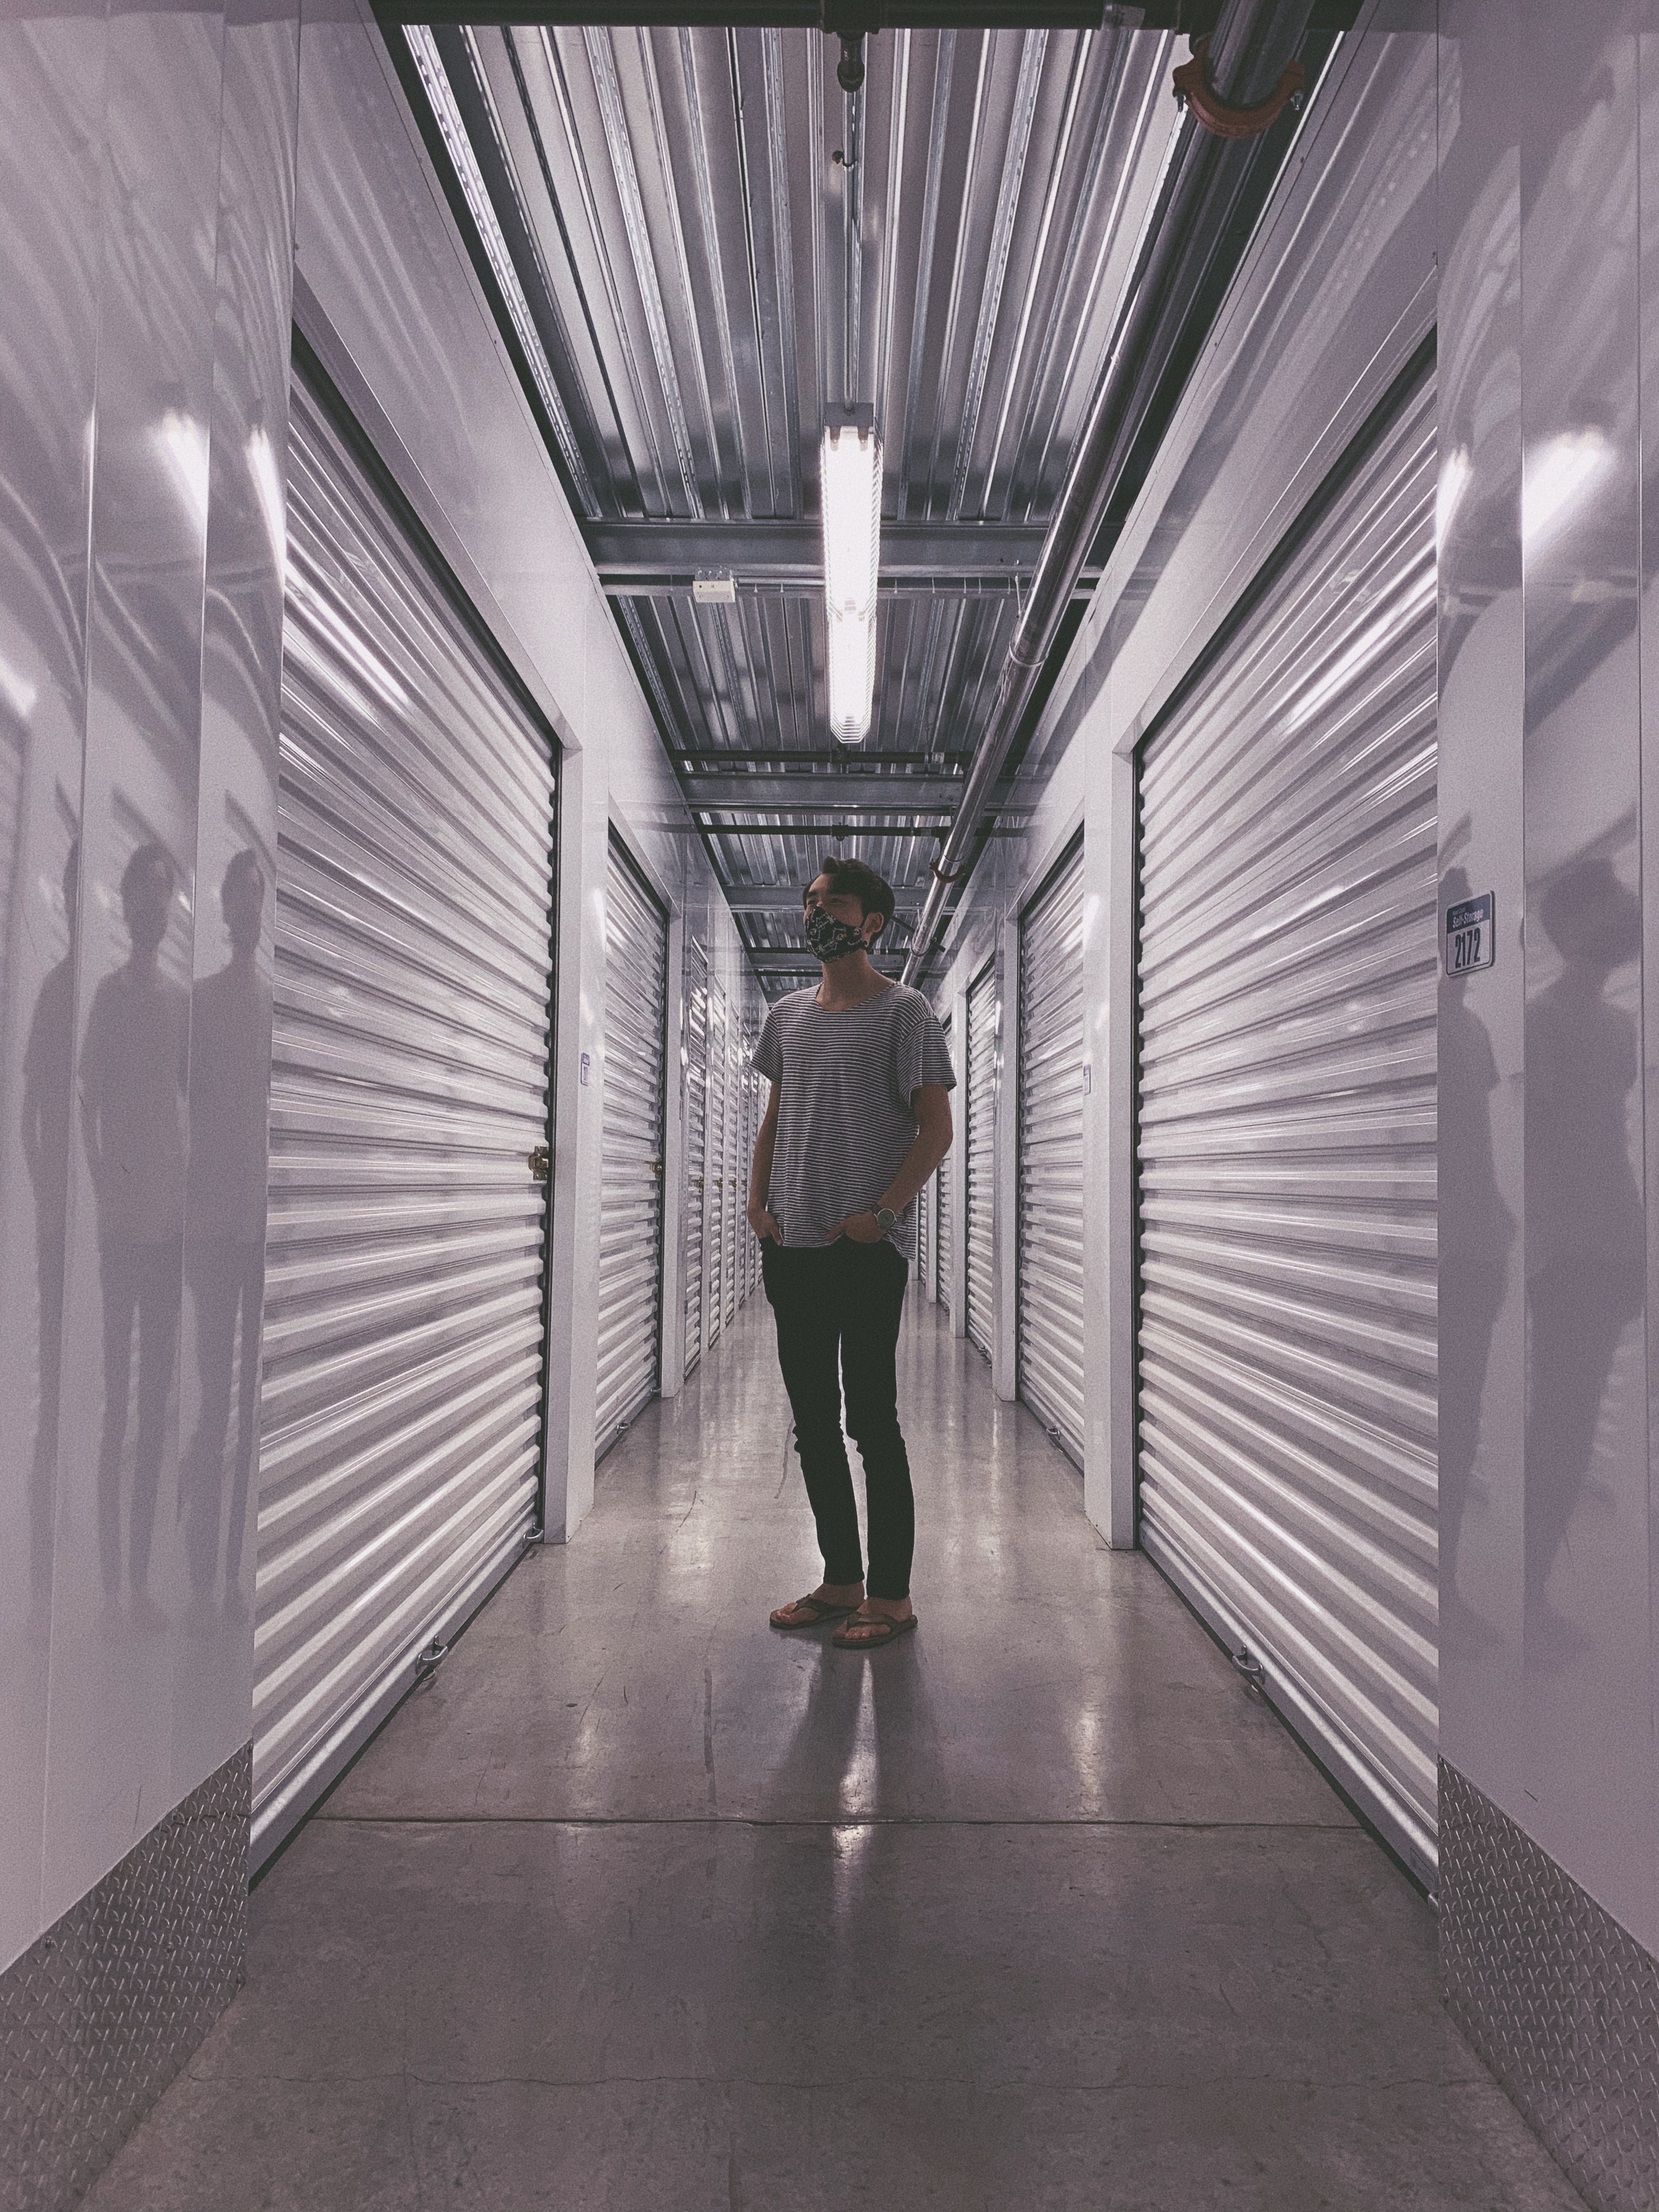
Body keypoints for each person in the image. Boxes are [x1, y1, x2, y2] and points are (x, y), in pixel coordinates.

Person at [748, 854, 955, 1651]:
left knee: (873, 1423)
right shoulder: (785, 1016)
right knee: (812, 1425)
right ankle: (841, 1580)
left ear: (873, 921)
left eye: (832, 902)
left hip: (865, 1252)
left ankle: (893, 1596)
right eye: (809, 902)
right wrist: (758, 1205)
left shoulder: (908, 1014)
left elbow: (935, 1130)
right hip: (791, 1248)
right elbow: (775, 1117)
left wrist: (884, 1212)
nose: (815, 914)